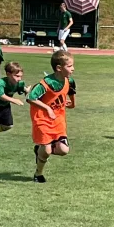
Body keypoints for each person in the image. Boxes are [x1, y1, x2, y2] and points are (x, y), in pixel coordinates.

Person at [27, 51, 76, 183]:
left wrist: (72, 103)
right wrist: (47, 108)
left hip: (58, 119)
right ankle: (38, 173)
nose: (73, 69)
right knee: (47, 150)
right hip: (42, 119)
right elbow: (30, 97)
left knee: (63, 150)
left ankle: (40, 150)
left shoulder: (69, 81)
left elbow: (70, 91)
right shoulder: (46, 84)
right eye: (70, 66)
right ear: (59, 68)